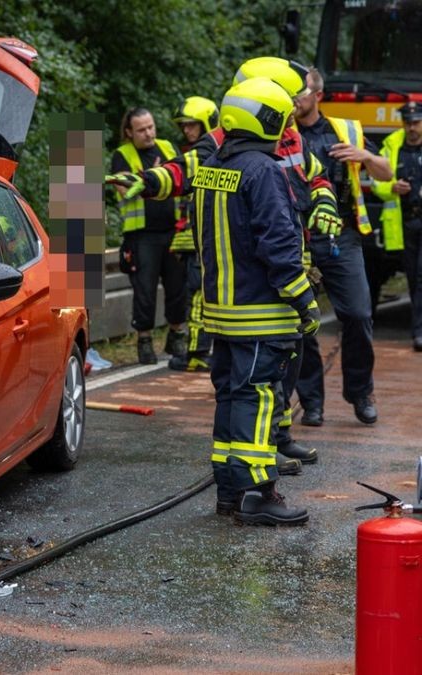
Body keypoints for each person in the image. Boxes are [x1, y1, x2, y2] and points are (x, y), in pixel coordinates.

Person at [107, 57, 335, 478]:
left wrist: (323, 205)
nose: (290, 111)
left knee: (279, 368)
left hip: (272, 274)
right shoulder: (232, 143)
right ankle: (253, 474)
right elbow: (187, 168)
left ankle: (273, 444)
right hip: (268, 282)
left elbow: (317, 177)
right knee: (258, 381)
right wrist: (151, 181)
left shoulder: (289, 136)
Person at [197, 76, 318, 525]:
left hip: (223, 313)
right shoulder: (264, 171)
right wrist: (305, 301)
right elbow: (280, 246)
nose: (287, 131)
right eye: (282, 121)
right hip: (260, 315)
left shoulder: (212, 166)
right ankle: (258, 494)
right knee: (259, 399)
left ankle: (230, 492)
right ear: (265, 119)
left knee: (231, 397)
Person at [293, 67, 394, 426]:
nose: (295, 100)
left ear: (318, 96)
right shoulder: (282, 133)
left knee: (358, 314)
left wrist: (364, 156)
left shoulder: (344, 129)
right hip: (298, 239)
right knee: (302, 322)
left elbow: (385, 172)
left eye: (301, 93)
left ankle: (360, 391)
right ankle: (311, 401)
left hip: (343, 237)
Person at [109, 108, 188, 365]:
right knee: (144, 291)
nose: (148, 133)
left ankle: (176, 335)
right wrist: (152, 179)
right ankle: (144, 340)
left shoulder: (167, 148)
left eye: (151, 127)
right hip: (141, 236)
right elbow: (123, 192)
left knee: (178, 288)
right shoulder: (123, 155)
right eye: (142, 129)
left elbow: (184, 179)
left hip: (173, 231)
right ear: (129, 132)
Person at [168, 96, 219, 372]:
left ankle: (198, 352)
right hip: (192, 243)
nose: (187, 131)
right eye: (184, 126)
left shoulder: (207, 157)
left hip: (205, 242)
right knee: (195, 296)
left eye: (192, 125)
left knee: (199, 298)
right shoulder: (197, 154)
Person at [372, 101, 422, 351]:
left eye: (415, 122)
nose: (411, 127)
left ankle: (419, 332)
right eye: (407, 122)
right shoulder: (393, 145)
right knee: (413, 277)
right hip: (405, 222)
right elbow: (376, 180)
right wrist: (391, 187)